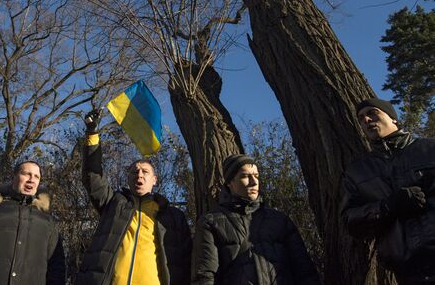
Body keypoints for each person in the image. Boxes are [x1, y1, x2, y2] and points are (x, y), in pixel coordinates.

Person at [75, 111, 191, 285]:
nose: (139, 175)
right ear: (128, 178)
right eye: (134, 171)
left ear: (154, 180)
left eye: (145, 172)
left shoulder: (173, 216)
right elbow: (92, 176)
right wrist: (92, 134)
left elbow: (187, 261)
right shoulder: (113, 203)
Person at [340, 98, 435, 283]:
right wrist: (387, 206)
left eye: (372, 112)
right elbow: (350, 221)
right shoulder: (357, 172)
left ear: (393, 119)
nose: (366, 120)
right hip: (409, 273)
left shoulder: (430, 149)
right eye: (360, 118)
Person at [192, 154, 320, 284]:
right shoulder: (211, 222)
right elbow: (205, 276)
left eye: (256, 176)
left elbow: (305, 271)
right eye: (245, 176)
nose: (254, 182)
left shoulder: (279, 221)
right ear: (230, 182)